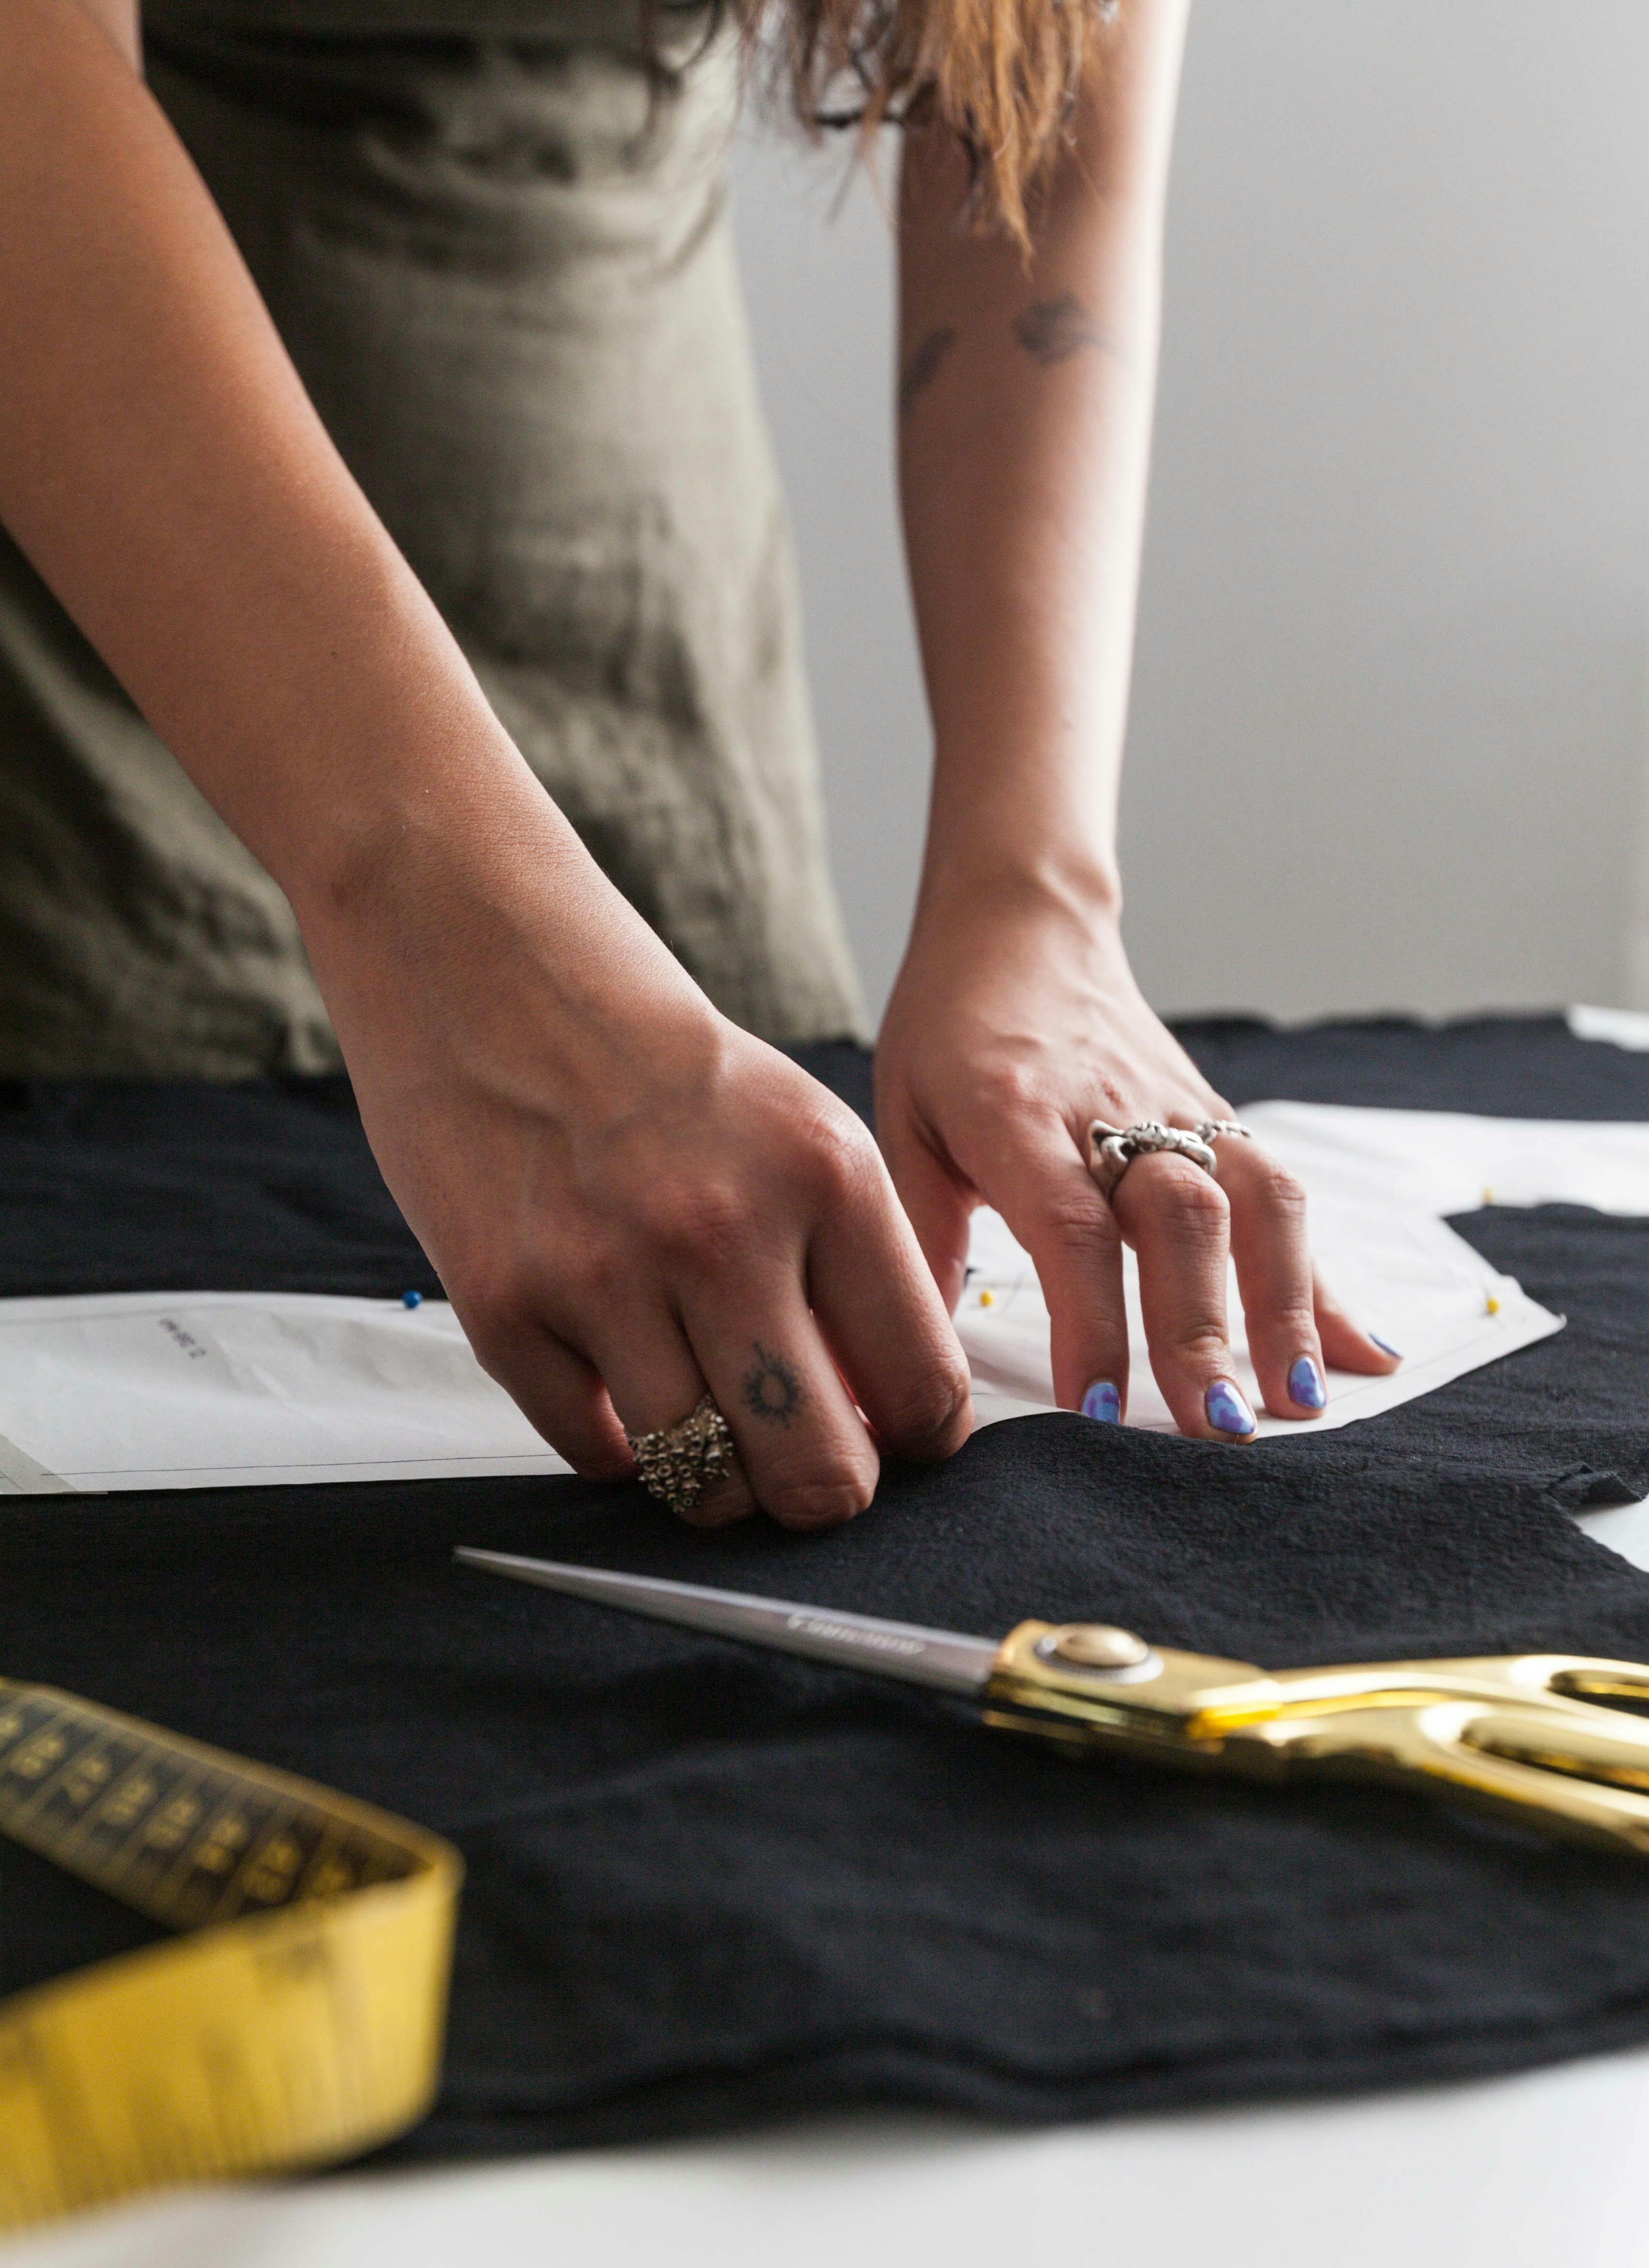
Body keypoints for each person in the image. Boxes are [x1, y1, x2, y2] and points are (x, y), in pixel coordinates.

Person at [0, 0, 1396, 1531]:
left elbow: (1034, 82)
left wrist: (1034, 892)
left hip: (630, 619)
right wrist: (438, 910)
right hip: (90, 633)